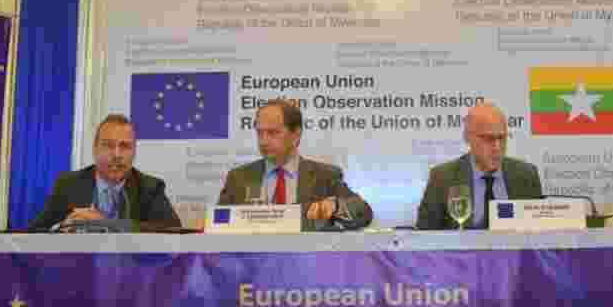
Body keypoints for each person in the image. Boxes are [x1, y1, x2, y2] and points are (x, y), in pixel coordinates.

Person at [217, 99, 373, 230]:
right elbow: (218, 225)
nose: (263, 141)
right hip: (252, 264)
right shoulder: (239, 178)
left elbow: (363, 212)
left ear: (296, 135)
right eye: (260, 133)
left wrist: (336, 207)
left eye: (273, 133)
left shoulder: (324, 176)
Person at [27, 114, 181, 231]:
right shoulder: (69, 184)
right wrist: (62, 228)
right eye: (108, 146)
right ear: (95, 149)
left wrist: (105, 223)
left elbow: (172, 231)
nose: (116, 155)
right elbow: (34, 233)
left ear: (134, 152)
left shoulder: (150, 188)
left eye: (125, 146)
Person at [416, 102, 542, 229]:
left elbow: (542, 235)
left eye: (502, 138)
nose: (497, 148)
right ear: (467, 137)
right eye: (488, 139)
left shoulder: (526, 176)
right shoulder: (442, 178)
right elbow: (423, 238)